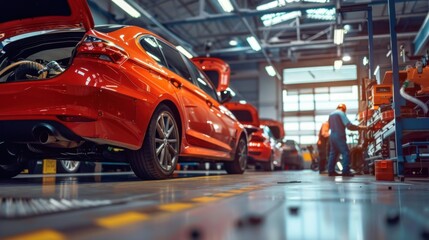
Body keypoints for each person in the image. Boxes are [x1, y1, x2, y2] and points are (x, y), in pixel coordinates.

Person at [327, 104, 367, 177]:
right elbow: (349, 125)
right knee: (345, 152)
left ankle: (331, 171)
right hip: (339, 136)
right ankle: (345, 171)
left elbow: (329, 126)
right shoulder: (341, 113)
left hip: (332, 136)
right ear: (344, 109)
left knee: (333, 153)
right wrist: (360, 127)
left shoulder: (331, 114)